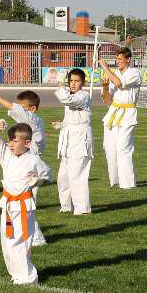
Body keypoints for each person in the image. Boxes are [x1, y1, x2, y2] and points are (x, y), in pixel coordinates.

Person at [0, 90, 48, 246]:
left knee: (26, 205)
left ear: (32, 109)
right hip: (19, 161)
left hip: (30, 166)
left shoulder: (33, 120)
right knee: (17, 204)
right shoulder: (27, 123)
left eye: (23, 107)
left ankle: (35, 238)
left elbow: (16, 110)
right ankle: (21, 234)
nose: (18, 109)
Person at [0, 121, 51, 284]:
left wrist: (37, 181)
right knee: (7, 242)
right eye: (9, 140)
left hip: (24, 206)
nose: (10, 144)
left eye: (15, 141)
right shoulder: (6, 154)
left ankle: (28, 277)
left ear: (27, 143)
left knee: (20, 242)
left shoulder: (33, 160)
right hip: (8, 204)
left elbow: (48, 175)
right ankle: (16, 273)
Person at [100, 47, 141, 189]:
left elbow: (118, 83)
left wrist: (105, 67)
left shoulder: (134, 73)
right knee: (109, 147)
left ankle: (128, 183)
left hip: (128, 113)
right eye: (116, 59)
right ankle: (115, 180)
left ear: (128, 59)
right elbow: (106, 100)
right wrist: (105, 86)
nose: (117, 62)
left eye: (120, 59)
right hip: (113, 112)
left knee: (123, 147)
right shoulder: (114, 73)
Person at [54, 68, 92, 214]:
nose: (73, 84)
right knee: (63, 177)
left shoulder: (83, 96)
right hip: (67, 140)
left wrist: (59, 84)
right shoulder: (71, 94)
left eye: (77, 81)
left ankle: (82, 208)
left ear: (83, 82)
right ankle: (65, 205)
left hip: (80, 140)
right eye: (71, 81)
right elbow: (72, 116)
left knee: (77, 175)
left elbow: (68, 100)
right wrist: (62, 124)